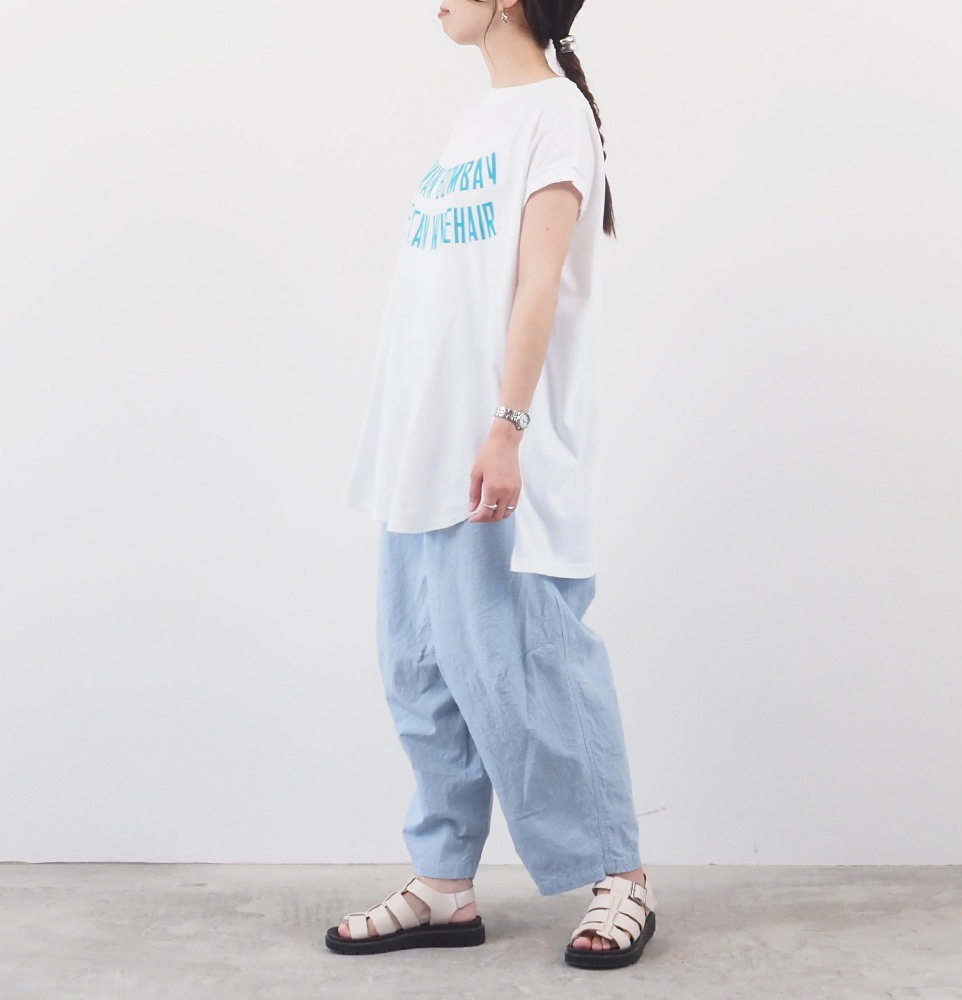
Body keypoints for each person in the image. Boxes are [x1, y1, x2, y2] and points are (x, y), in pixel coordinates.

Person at [328, 0, 656, 971]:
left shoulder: (555, 115)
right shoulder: (474, 122)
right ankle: (444, 880)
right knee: (420, 669)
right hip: (421, 451)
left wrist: (508, 426)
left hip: (495, 450)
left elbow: (538, 285)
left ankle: (622, 875)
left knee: (533, 665)